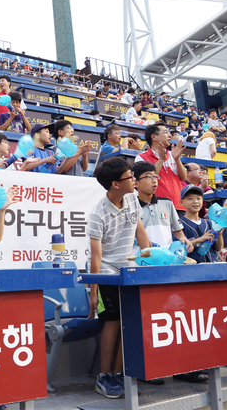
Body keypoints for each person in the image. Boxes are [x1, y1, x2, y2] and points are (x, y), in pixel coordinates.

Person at [87, 157, 151, 399]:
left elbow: (140, 233)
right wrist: (94, 293)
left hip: (129, 270)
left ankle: (119, 373)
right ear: (115, 183)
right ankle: (103, 377)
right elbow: (96, 257)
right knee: (112, 322)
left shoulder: (133, 198)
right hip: (106, 273)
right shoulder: (98, 214)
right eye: (130, 176)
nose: (134, 179)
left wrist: (149, 262)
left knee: (129, 321)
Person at [133, 162, 193, 251]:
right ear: (136, 183)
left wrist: (183, 238)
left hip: (165, 256)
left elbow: (177, 230)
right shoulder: (131, 207)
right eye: (149, 177)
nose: (154, 180)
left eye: (155, 177)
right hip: (140, 257)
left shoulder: (167, 203)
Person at [135, 123, 187, 212]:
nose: (170, 135)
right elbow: (147, 179)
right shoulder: (141, 157)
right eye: (166, 132)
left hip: (179, 207)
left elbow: (184, 177)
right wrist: (161, 160)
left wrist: (177, 159)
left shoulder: (172, 154)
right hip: (157, 207)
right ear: (154, 137)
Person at [179, 185, 224, 263]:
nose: (195, 201)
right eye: (190, 198)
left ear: (202, 201)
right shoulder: (179, 224)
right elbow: (178, 248)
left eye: (198, 198)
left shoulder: (209, 223)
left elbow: (218, 249)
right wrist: (199, 239)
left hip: (212, 264)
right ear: (182, 202)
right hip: (193, 267)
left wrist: (219, 234)